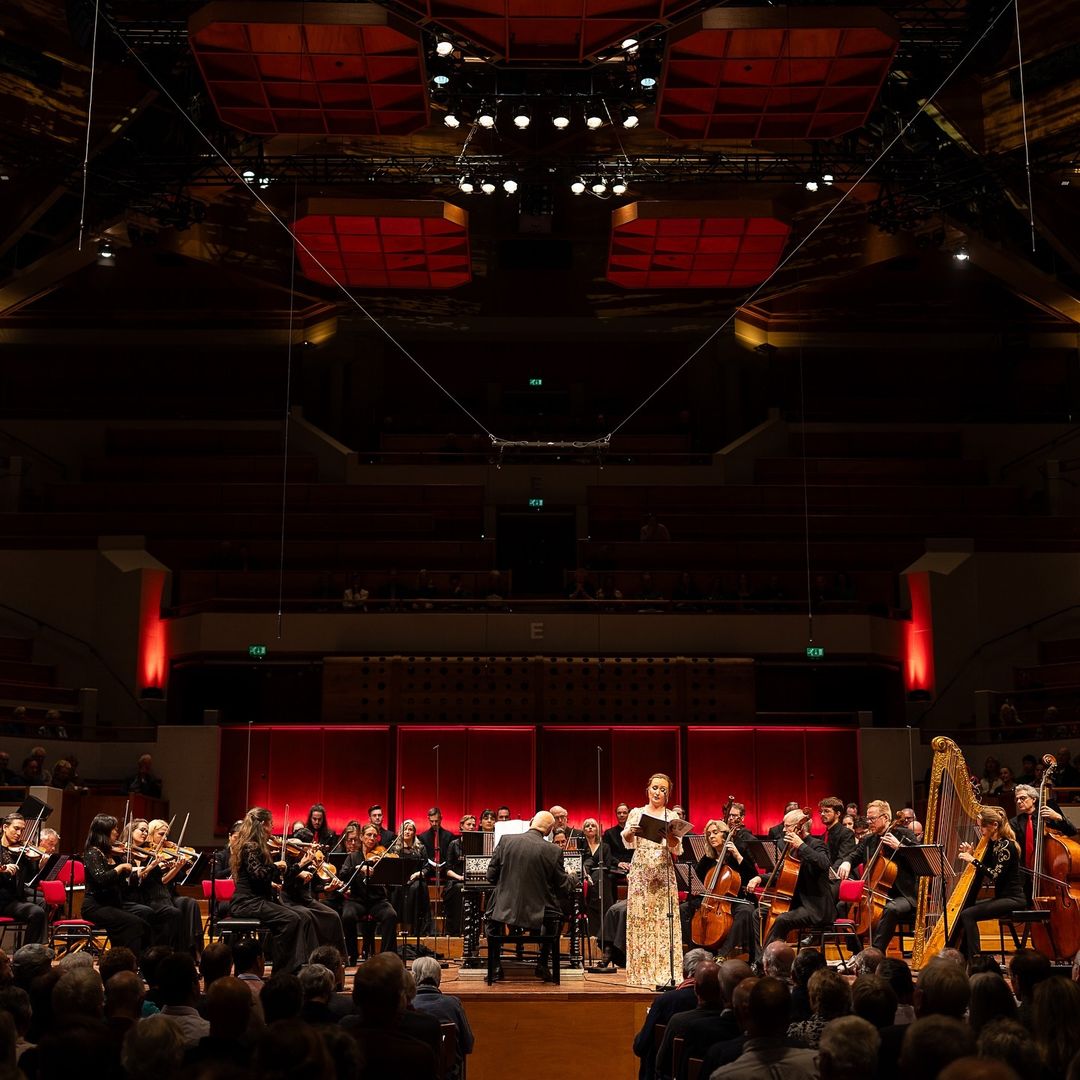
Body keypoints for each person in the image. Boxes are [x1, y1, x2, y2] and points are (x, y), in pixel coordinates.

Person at [485, 810, 572, 982]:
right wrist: (573, 876)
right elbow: (563, 887)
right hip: (539, 909)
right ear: (549, 831)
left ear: (532, 821)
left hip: (506, 905)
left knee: (491, 918)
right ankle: (542, 963)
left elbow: (490, 877)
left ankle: (495, 966)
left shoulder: (506, 841)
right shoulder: (554, 851)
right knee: (556, 916)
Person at [229, 807, 318, 974]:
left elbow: (277, 877)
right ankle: (283, 971)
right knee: (291, 919)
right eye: (271, 825)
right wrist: (275, 866)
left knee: (297, 917)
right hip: (246, 902)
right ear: (262, 825)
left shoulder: (259, 847)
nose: (272, 829)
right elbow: (259, 874)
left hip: (257, 900)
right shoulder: (250, 847)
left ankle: (291, 967)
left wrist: (300, 864)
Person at [623, 772, 683, 988]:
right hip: (641, 873)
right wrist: (632, 831)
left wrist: (671, 838)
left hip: (663, 872)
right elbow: (627, 841)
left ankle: (665, 971)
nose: (658, 792)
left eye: (663, 790)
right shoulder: (636, 812)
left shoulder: (671, 816)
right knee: (641, 919)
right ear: (648, 789)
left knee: (663, 921)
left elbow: (677, 847)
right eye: (655, 787)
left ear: (668, 795)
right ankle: (641, 972)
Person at [837, 799, 918, 953]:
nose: (869, 822)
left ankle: (875, 953)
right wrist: (846, 862)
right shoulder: (869, 839)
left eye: (872, 819)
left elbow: (919, 858)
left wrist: (900, 847)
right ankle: (857, 952)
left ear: (885, 818)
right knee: (843, 905)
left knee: (891, 909)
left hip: (902, 894)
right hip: (876, 891)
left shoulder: (903, 834)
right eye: (868, 818)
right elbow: (854, 855)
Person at [957, 806, 1025, 960]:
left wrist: (973, 860)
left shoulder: (1007, 846)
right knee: (966, 910)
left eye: (982, 825)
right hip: (1002, 897)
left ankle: (975, 959)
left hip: (1014, 899)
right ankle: (964, 955)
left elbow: (995, 875)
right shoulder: (994, 845)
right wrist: (972, 854)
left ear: (994, 825)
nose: (980, 829)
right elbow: (986, 865)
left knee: (968, 914)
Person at [761, 807, 833, 947]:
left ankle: (768, 961)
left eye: (787, 826)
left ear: (799, 829)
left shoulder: (817, 844)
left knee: (782, 919)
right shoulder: (791, 849)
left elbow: (824, 863)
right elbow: (783, 876)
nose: (783, 830)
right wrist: (760, 878)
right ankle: (760, 957)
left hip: (815, 907)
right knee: (759, 913)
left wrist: (801, 846)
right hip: (796, 904)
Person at [81, 813, 150, 953]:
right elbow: (102, 879)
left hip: (113, 903)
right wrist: (120, 867)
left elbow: (122, 884)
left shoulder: (112, 854)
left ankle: (142, 961)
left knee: (145, 917)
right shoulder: (93, 853)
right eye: (114, 829)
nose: (117, 832)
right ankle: (129, 961)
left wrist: (133, 870)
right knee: (134, 924)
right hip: (96, 906)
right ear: (105, 831)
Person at [338, 824, 398, 959]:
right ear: (361, 837)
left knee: (391, 915)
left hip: (378, 901)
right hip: (356, 900)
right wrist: (360, 868)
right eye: (368, 835)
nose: (372, 838)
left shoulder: (382, 857)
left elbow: (391, 885)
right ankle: (351, 954)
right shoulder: (353, 856)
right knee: (347, 916)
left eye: (374, 836)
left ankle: (387, 956)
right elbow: (343, 874)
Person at [1010, 783, 1077, 900]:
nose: (1019, 801)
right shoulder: (1014, 822)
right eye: (1017, 799)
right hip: (1024, 875)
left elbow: (1072, 831)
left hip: (1048, 873)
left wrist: (1058, 817)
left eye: (1023, 798)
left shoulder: (1048, 817)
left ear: (1034, 799)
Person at [411, 955, 473, 1080]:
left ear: (414, 978)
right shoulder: (454, 1004)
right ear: (439, 979)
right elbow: (468, 1044)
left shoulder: (406, 1005)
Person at [387, 820, 434, 935]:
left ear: (414, 832)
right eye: (405, 829)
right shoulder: (394, 848)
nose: (407, 832)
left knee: (415, 888)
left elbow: (426, 867)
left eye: (410, 829)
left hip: (415, 879)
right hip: (399, 879)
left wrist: (418, 874)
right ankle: (396, 927)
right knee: (396, 889)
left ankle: (413, 927)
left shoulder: (420, 848)